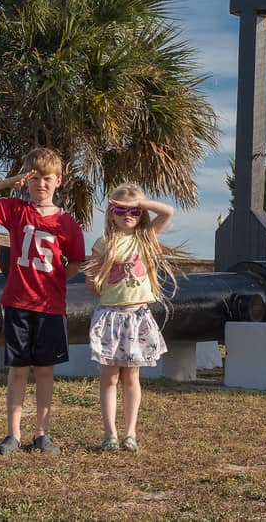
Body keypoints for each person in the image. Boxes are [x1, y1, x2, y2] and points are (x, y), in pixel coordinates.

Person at [0, 148, 85, 455]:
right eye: (35, 179)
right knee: (18, 370)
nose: (41, 184)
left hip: (50, 307)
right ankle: (13, 435)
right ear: (28, 181)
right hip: (18, 304)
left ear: (58, 181)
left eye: (47, 178)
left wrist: (55, 281)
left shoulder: (68, 223)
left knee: (45, 370)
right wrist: (7, 183)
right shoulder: (17, 211)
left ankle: (42, 434)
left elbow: (75, 263)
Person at [84, 183, 175, 453]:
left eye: (134, 211)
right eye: (121, 210)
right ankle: (110, 432)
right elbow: (92, 283)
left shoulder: (146, 238)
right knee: (110, 377)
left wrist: (141, 204)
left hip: (137, 315)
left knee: (132, 378)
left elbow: (167, 212)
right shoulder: (104, 243)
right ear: (111, 212)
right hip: (111, 315)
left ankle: (130, 432)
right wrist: (95, 276)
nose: (129, 215)